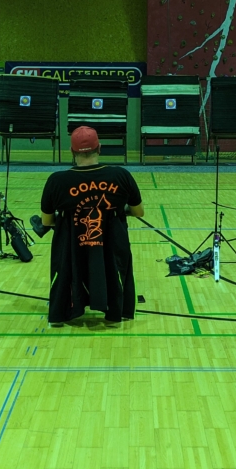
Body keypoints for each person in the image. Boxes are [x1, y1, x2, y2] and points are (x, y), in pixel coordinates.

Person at [36, 126, 144, 326]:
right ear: (99, 148)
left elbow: (46, 222)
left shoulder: (56, 181)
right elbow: (138, 212)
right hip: (111, 245)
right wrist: (115, 211)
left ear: (72, 151)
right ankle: (115, 311)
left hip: (72, 248)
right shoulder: (121, 175)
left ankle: (65, 311)